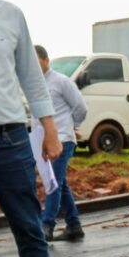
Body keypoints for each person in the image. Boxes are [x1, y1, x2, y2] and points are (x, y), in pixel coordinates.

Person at [0, 0, 70, 257]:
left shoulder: (9, 15)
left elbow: (31, 77)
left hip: (8, 138)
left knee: (29, 225)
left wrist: (50, 130)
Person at [34, 45, 88, 242]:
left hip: (62, 140)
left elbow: (80, 107)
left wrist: (73, 126)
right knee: (60, 183)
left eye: (38, 62)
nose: (35, 67)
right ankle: (74, 226)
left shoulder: (61, 82)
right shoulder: (33, 85)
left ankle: (46, 225)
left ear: (47, 60)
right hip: (42, 142)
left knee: (52, 183)